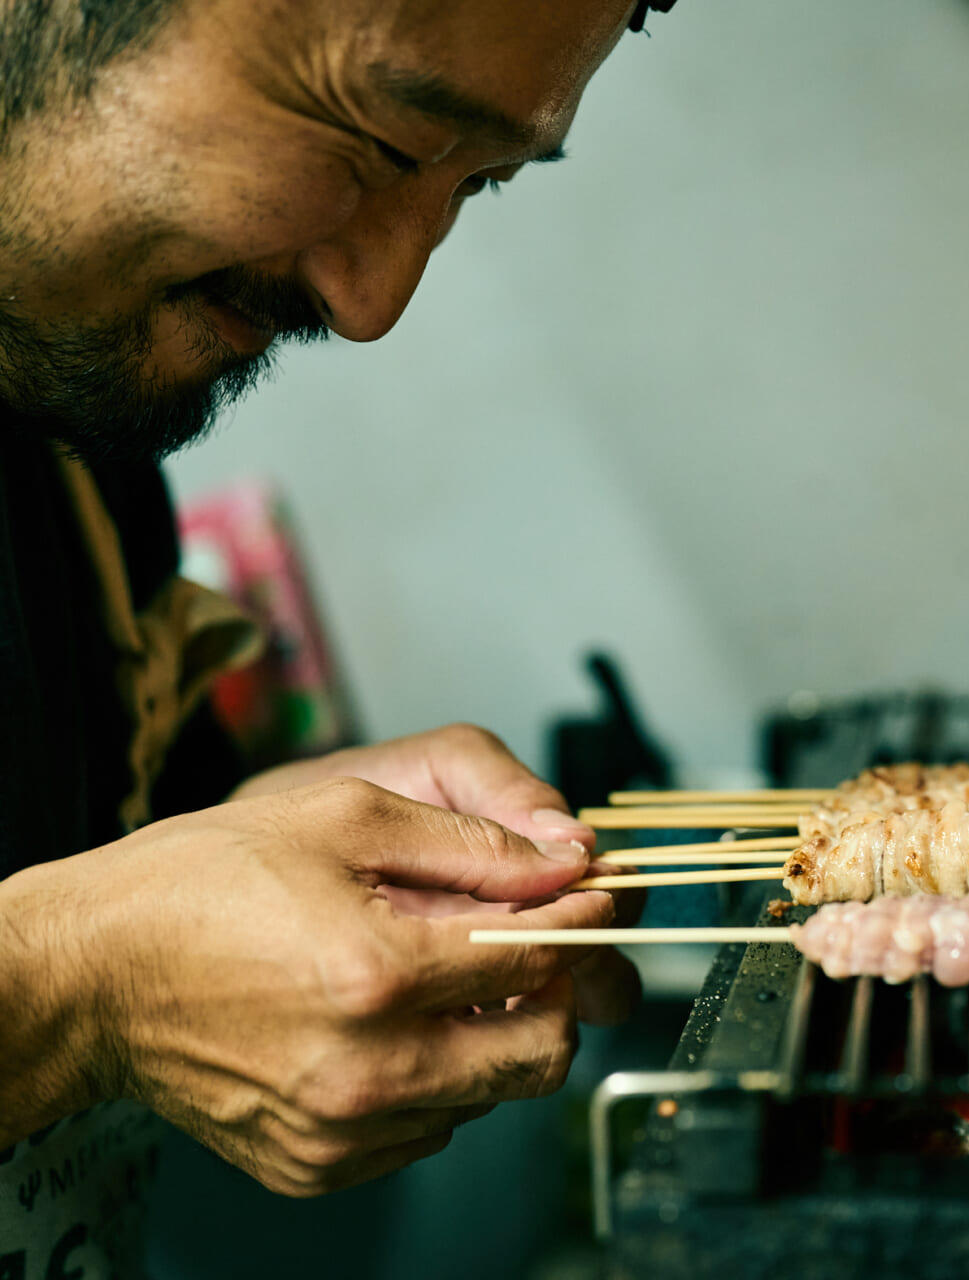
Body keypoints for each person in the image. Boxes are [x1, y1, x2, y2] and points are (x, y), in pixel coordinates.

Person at [0, 0, 658, 1272]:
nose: (374, 302)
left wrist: (291, 834)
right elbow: (79, 944)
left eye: (482, 185)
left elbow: (88, 859)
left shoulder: (77, 427)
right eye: (378, 137)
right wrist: (85, 988)